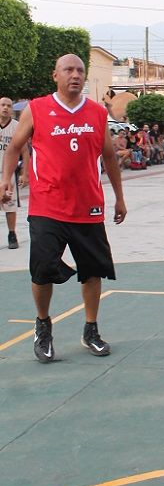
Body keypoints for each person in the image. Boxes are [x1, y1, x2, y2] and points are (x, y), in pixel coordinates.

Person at [0, 55, 127, 362]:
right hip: (47, 205)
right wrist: (7, 179)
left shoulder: (97, 113)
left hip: (88, 207)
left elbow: (109, 157)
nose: (75, 75)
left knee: (93, 271)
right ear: (54, 74)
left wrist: (120, 198)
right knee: (42, 270)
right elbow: (15, 146)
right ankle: (43, 326)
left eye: (80, 70)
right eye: (69, 70)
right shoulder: (38, 109)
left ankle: (91, 329)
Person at [0, 96, 30, 249]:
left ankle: (12, 234)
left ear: (12, 109)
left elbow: (25, 151)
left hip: (8, 173)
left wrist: (25, 174)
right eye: (3, 105)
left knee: (9, 205)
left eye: (9, 106)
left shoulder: (17, 126)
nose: (5, 108)